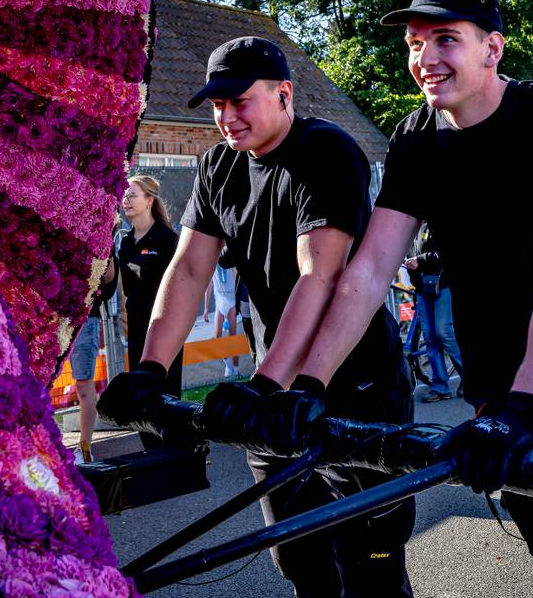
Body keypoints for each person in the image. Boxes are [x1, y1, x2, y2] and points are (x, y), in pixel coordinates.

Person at [249, 0, 533, 596]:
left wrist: (522, 408)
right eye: (415, 42)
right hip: (495, 395)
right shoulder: (417, 138)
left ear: (492, 48)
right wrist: (308, 383)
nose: (425, 58)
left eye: (445, 39)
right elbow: (368, 272)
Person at [98, 36, 415, 597]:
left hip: (353, 382)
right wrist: (150, 370)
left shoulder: (327, 151)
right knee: (300, 560)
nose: (226, 118)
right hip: (274, 389)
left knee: (371, 566)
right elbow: (190, 269)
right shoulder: (219, 165)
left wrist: (267, 385)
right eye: (218, 106)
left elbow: (319, 274)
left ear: (283, 93)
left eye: (239, 101)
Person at [116, 175, 182, 398]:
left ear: (149, 200)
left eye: (132, 195)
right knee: (140, 396)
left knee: (165, 397)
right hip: (136, 327)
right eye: (124, 195)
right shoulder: (125, 242)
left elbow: (178, 285)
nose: (126, 200)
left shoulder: (167, 238)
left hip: (164, 327)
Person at [402, 223, 462, 402]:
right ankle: (440, 387)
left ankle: (473, 378)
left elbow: (445, 253)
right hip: (422, 288)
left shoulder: (433, 225)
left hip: (442, 286)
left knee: (444, 334)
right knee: (430, 339)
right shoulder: (408, 229)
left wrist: (418, 260)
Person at [68, 256, 116, 463]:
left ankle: (85, 449)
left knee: (84, 385)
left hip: (84, 318)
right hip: (53, 316)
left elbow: (109, 282)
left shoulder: (100, 238)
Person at [210, 258, 241, 377]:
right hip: (220, 301)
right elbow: (209, 284)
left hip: (231, 300)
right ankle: (229, 365)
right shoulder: (211, 260)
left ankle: (237, 369)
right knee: (217, 337)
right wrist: (207, 309)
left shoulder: (228, 256)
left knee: (233, 336)